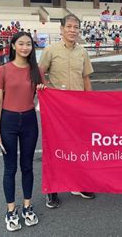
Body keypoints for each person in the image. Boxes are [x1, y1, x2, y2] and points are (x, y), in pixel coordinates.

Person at [0, 32, 44, 232]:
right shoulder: (2, 70)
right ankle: (11, 210)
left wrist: (43, 90)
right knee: (10, 168)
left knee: (27, 166)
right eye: (21, 43)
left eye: (28, 44)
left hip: (29, 120)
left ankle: (27, 206)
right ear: (13, 46)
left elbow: (45, 98)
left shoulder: (36, 70)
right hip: (8, 122)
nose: (25, 47)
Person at [39, 14, 95, 209]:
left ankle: (78, 185)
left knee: (79, 147)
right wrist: (46, 91)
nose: (72, 30)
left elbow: (86, 78)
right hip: (57, 110)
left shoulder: (82, 52)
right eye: (69, 26)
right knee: (55, 149)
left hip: (79, 108)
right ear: (61, 29)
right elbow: (40, 72)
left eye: (76, 27)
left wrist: (91, 103)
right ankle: (52, 190)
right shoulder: (50, 50)